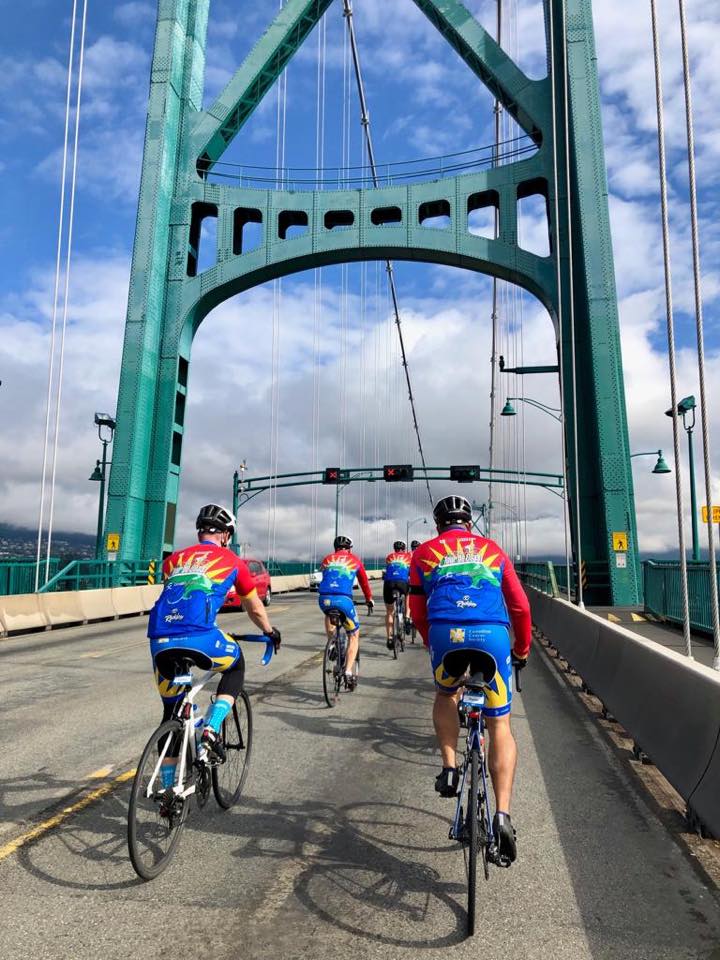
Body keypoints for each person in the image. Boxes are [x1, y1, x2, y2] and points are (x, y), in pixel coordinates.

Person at [409, 495, 531, 863]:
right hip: (492, 637)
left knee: (446, 695)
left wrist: (433, 642)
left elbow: (416, 609)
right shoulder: (492, 550)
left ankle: (449, 768)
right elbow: (522, 606)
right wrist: (521, 650)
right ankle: (502, 815)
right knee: (501, 725)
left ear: (437, 525)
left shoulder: (424, 553)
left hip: (448, 636)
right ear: (470, 523)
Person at [147, 504, 281, 785]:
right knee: (235, 664)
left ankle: (168, 792)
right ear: (226, 535)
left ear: (200, 532)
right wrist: (269, 631)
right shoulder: (234, 561)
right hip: (201, 637)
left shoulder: (173, 560)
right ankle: (211, 728)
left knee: (171, 713)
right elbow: (254, 607)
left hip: (159, 640)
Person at [317, 535, 374, 690]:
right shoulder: (354, 559)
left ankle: (333, 643)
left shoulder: (327, 559)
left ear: (335, 548)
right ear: (349, 549)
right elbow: (364, 582)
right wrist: (369, 599)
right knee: (354, 635)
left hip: (324, 599)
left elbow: (327, 578)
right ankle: (348, 672)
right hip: (344, 601)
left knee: (329, 613)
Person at [383, 539, 412, 649]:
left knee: (389, 611)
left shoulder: (389, 557)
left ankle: (389, 638)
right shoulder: (408, 557)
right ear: (404, 549)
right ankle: (408, 616)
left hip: (389, 583)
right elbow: (410, 572)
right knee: (408, 594)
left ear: (394, 549)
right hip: (402, 583)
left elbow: (388, 570)